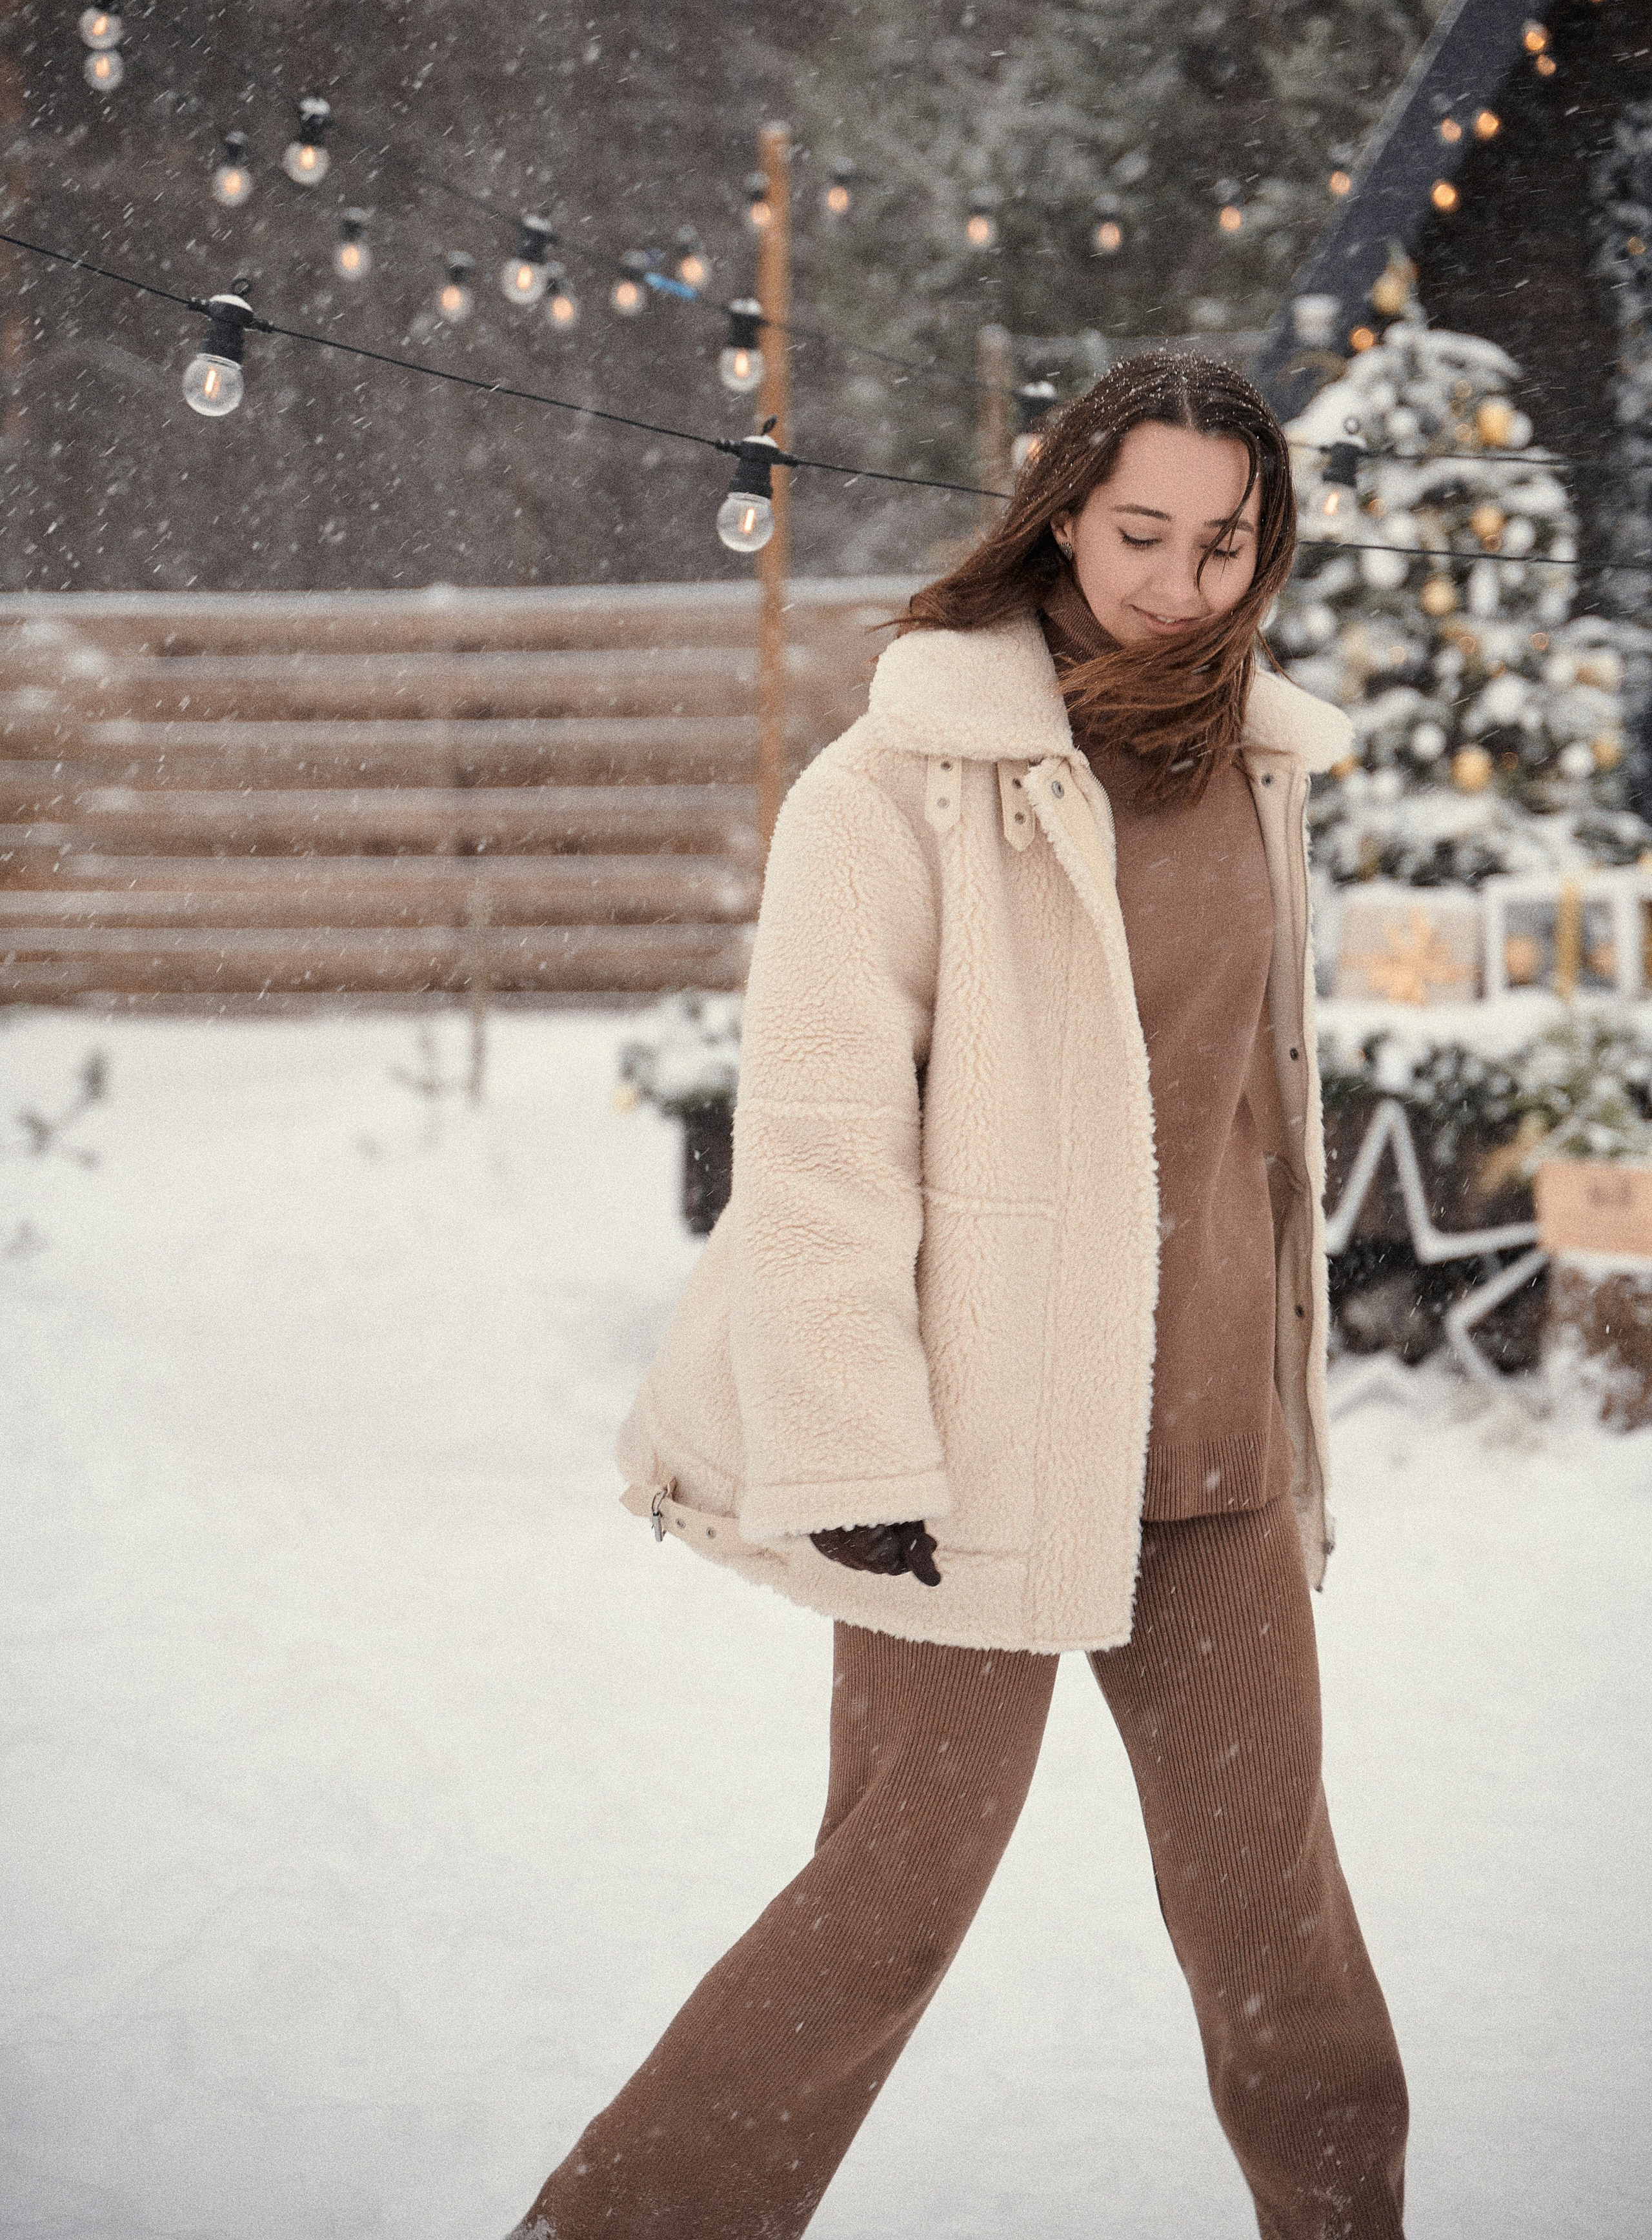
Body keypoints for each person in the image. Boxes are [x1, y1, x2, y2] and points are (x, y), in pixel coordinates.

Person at [508, 352, 1409, 2239]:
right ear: (1062, 512)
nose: (1180, 584)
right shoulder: (892, 789)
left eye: (1225, 545)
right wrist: (854, 1447)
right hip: (975, 1446)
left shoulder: (1256, 763)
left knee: (1282, 1945)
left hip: (1212, 1448)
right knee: (885, 1915)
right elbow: (821, 1145)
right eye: (1142, 533)